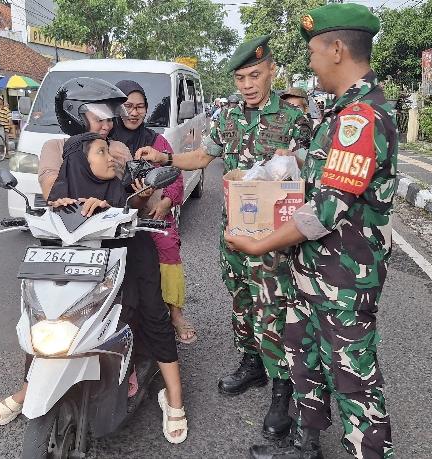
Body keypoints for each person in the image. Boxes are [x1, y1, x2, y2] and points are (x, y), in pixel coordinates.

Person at [225, 4, 397, 458]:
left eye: (314, 51)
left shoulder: (361, 118)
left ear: (337, 49)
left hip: (343, 277)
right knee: (306, 359)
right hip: (310, 270)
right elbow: (319, 179)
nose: (310, 63)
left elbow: (324, 211)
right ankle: (305, 445)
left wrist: (260, 244)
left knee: (352, 378)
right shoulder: (339, 114)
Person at [135, 35, 312, 441]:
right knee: (240, 300)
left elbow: (305, 176)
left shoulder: (294, 119)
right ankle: (251, 363)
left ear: (271, 71)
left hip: (274, 238)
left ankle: (282, 389)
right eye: (240, 78)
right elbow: (203, 157)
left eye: (254, 75)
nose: (247, 84)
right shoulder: (228, 117)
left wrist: (282, 171)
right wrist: (165, 158)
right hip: (232, 229)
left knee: (274, 309)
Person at [0, 78, 129, 427]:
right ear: (76, 116)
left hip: (111, 239)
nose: (108, 125)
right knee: (43, 314)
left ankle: (133, 369)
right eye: (100, 118)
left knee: (140, 300)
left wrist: (110, 197)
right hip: (62, 243)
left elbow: (121, 185)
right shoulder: (55, 146)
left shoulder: (118, 149)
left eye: (112, 118)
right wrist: (65, 197)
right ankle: (28, 387)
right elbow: (51, 185)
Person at [50, 132, 189, 443]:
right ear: (79, 164)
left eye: (110, 151)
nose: (111, 157)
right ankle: (29, 389)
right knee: (50, 316)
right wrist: (58, 209)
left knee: (154, 315)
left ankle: (175, 398)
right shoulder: (61, 198)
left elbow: (135, 204)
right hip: (84, 269)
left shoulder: (123, 186)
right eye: (101, 152)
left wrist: (117, 205)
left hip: (133, 257)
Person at [110, 79, 195, 344]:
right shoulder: (105, 140)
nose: (134, 112)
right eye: (128, 106)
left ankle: (176, 313)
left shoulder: (156, 141)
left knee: (168, 246)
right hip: (115, 212)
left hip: (153, 214)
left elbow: (175, 176)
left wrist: (165, 203)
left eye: (140, 107)